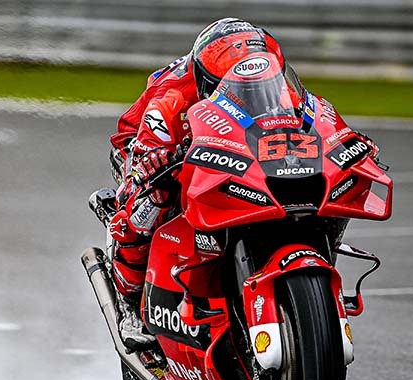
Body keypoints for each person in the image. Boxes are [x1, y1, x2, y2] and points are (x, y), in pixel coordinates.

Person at [108, 18, 287, 351]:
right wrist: (155, 160)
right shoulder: (172, 99)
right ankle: (129, 303)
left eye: (259, 88)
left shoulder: (273, 85)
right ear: (210, 83)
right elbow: (146, 154)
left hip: (228, 138)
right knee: (150, 199)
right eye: (241, 91)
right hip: (147, 140)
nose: (253, 96)